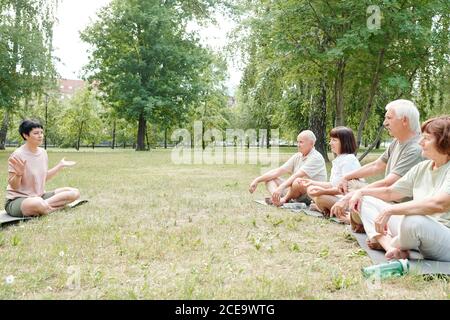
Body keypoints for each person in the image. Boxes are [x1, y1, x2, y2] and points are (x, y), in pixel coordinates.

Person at [348, 115, 450, 261]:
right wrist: (360, 191)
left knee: (413, 220)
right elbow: (390, 192)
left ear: (445, 142)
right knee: (366, 200)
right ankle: (391, 247)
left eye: (427, 138)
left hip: (443, 238)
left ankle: (390, 242)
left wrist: (390, 210)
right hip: (416, 233)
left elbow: (438, 204)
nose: (420, 142)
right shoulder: (422, 167)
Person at [330, 99, 424, 229]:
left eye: (389, 118)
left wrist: (351, 196)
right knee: (353, 187)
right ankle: (358, 218)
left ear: (405, 121)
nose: (385, 123)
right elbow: (376, 165)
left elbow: (388, 184)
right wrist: (346, 177)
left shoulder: (415, 149)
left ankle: (359, 219)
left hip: (399, 207)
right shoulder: (396, 142)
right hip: (387, 199)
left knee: (360, 199)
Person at [5, 119, 80, 217]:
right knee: (36, 203)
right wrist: (18, 174)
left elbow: (43, 178)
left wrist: (60, 165)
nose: (40, 135)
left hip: (40, 196)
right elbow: (14, 186)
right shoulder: (17, 155)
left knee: (74, 192)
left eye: (41, 132)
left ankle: (45, 207)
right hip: (19, 200)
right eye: (36, 133)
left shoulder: (43, 153)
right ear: (25, 135)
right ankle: (50, 207)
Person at [249, 130, 327, 206]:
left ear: (311, 143)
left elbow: (297, 176)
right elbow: (279, 171)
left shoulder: (316, 158)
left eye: (301, 142)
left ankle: (284, 199)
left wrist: (280, 188)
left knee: (298, 181)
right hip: (294, 192)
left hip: (310, 194)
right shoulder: (298, 156)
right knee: (269, 179)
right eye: (298, 142)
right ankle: (277, 200)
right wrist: (257, 180)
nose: (298, 145)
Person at [300, 127, 361, 221]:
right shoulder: (339, 159)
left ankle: (327, 209)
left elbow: (345, 190)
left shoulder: (349, 160)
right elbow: (332, 184)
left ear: (344, 142)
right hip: (337, 197)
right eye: (330, 140)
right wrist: (311, 182)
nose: (330, 143)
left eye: (334, 140)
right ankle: (325, 209)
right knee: (311, 188)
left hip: (347, 201)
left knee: (321, 197)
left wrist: (322, 191)